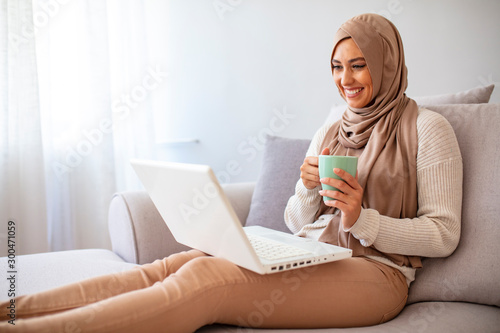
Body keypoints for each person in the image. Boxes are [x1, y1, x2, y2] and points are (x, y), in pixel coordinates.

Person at [0, 13, 462, 332]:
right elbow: (297, 222)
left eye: (359, 66)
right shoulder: (332, 124)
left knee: (206, 282)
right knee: (177, 263)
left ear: (387, 62)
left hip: (379, 276)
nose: (346, 80)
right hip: (313, 251)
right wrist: (306, 191)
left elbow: (443, 236)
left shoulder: (428, 128)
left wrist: (363, 220)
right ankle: (12, 310)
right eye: (337, 67)